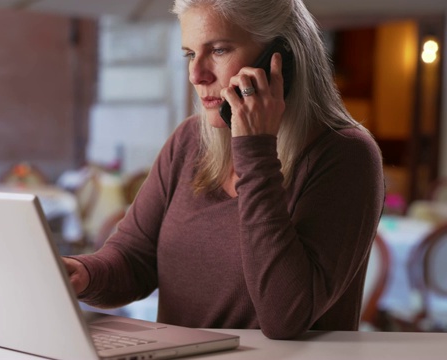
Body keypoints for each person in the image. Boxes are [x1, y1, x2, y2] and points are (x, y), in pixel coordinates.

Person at [63, 0, 384, 340]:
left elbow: (285, 317)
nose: (196, 74)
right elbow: (133, 259)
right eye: (189, 54)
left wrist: (255, 150)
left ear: (282, 58)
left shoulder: (347, 156)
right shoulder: (189, 141)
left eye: (217, 50)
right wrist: (82, 273)